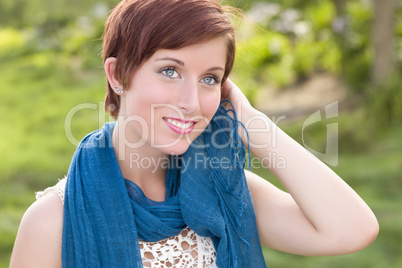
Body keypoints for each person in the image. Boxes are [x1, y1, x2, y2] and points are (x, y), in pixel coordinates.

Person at [10, 0, 379, 267]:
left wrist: (249, 120)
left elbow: (351, 230)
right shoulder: (51, 222)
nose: (191, 102)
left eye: (209, 79)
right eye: (170, 70)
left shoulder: (222, 187)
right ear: (118, 75)